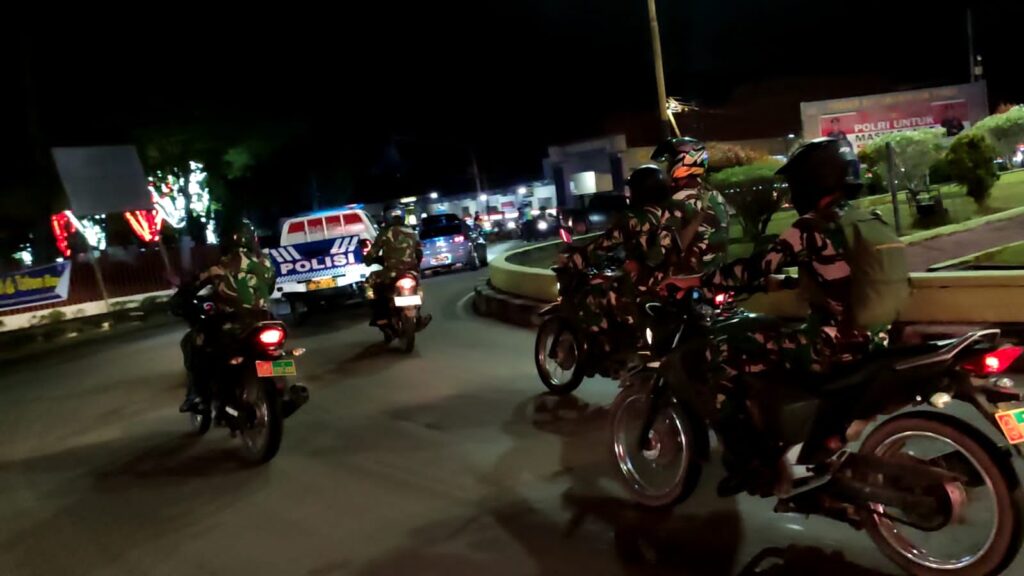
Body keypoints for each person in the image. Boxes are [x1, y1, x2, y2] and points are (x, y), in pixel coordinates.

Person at [703, 138, 897, 494]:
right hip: (877, 342)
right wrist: (788, 283)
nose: (792, 194)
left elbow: (757, 268)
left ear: (811, 182)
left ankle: (746, 460)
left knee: (725, 344)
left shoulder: (810, 226)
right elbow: (843, 278)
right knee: (776, 334)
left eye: (795, 184)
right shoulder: (867, 219)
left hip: (830, 348)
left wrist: (700, 282)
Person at [559, 137, 728, 351]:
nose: (667, 169)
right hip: (713, 276)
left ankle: (626, 347)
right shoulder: (715, 196)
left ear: (683, 161)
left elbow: (657, 251)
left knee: (605, 294)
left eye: (670, 161)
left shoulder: (673, 202)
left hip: (677, 277)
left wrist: (637, 263)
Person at [179, 219, 276, 412]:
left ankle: (197, 395)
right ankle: (281, 386)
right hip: (265, 319)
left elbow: (194, 286)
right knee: (276, 354)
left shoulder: (219, 265)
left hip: (232, 322)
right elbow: (270, 287)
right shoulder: (265, 262)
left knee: (194, 343)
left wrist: (182, 296)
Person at [366, 206, 430, 335]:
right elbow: (419, 252)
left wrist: (368, 260)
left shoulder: (385, 233)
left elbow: (373, 252)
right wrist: (415, 264)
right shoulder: (411, 231)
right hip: (411, 271)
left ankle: (380, 316)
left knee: (370, 282)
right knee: (417, 287)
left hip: (392, 272)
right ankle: (418, 315)